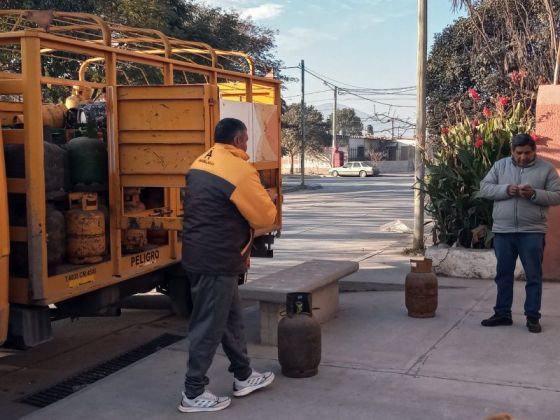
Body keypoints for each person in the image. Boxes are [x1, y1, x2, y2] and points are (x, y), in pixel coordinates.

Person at [178, 118, 278, 412]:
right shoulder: (239, 170)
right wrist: (269, 198)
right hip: (217, 258)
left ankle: (244, 376)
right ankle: (193, 393)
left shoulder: (202, 160)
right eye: (246, 140)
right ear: (237, 140)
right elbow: (264, 217)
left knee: (231, 319)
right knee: (208, 326)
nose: (247, 145)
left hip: (202, 253)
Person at [479, 133, 560, 333]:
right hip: (503, 231)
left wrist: (534, 194)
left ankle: (533, 317)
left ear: (534, 151)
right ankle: (502, 314)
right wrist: (506, 190)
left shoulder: (546, 169)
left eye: (527, 153)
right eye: (518, 153)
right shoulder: (500, 166)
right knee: (503, 275)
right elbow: (485, 189)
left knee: (533, 276)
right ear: (512, 152)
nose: (523, 157)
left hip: (532, 232)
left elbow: (557, 195)